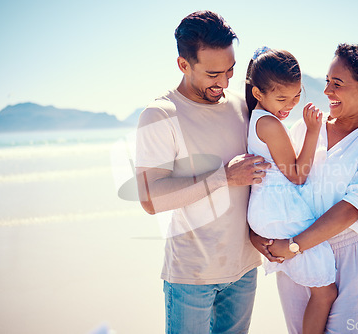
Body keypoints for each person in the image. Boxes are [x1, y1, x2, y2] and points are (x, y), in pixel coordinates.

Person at [250, 43, 358, 334]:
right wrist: (257, 235)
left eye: (337, 83)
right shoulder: (306, 128)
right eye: (326, 82)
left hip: (344, 252)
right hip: (293, 252)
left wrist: (295, 245)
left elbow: (352, 208)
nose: (326, 92)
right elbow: (273, 185)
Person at [135, 11, 270, 334]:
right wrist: (223, 177)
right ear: (183, 64)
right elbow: (150, 199)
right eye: (212, 73)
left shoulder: (242, 105)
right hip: (191, 276)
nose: (223, 82)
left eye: (230, 71)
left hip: (245, 268)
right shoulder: (160, 114)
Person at [245, 47, 337, 334]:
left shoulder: (259, 117)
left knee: (320, 290)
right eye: (282, 98)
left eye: (296, 96)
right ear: (259, 93)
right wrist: (312, 130)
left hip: (270, 211)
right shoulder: (270, 123)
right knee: (326, 292)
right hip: (279, 214)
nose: (291, 104)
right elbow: (297, 176)